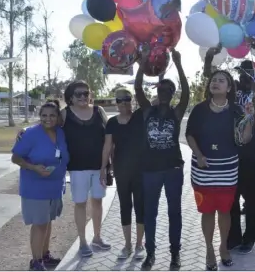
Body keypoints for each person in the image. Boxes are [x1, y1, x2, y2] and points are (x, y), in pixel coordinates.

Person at [203, 38, 255, 254]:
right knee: (231, 195)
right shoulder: (232, 89)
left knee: (254, 197)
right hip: (231, 149)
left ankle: (250, 237)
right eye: (242, 71)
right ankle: (234, 237)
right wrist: (211, 55)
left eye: (249, 71)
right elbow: (210, 75)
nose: (245, 74)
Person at [186, 70, 255, 271]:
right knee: (207, 211)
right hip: (203, 168)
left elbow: (245, 139)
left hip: (227, 168)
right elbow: (190, 135)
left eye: (221, 80)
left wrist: (250, 118)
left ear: (229, 87)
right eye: (213, 80)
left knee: (225, 210)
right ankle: (209, 249)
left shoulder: (237, 110)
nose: (216, 83)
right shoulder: (199, 109)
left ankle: (223, 247)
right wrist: (198, 154)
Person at [134, 49, 190, 271]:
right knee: (150, 213)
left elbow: (187, 91)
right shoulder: (148, 111)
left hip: (173, 169)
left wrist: (178, 63)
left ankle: (175, 253)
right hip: (150, 170)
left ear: (173, 93)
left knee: (174, 211)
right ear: (156, 91)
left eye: (169, 90)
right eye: (161, 89)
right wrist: (140, 63)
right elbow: (138, 88)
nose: (164, 92)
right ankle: (150, 253)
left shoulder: (176, 113)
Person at [11, 100, 69, 271]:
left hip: (55, 187)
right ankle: (36, 261)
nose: (48, 119)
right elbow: (15, 157)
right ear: (39, 117)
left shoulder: (61, 132)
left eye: (52, 115)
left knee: (48, 221)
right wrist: (33, 167)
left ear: (58, 117)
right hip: (35, 188)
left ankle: (45, 255)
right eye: (44, 115)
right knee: (40, 224)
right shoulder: (30, 134)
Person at [62, 80, 111, 257]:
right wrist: (25, 130)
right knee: (80, 203)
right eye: (79, 94)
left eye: (86, 93)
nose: (83, 97)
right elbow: (46, 125)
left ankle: (97, 237)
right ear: (71, 97)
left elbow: (109, 136)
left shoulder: (99, 111)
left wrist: (106, 165)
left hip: (99, 167)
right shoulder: (65, 114)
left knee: (97, 201)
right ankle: (82, 241)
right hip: (77, 168)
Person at [100, 88, 146, 260]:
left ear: (132, 100)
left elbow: (153, 102)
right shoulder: (112, 122)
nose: (123, 102)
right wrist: (103, 169)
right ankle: (127, 245)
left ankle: (139, 244)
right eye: (119, 100)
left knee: (140, 206)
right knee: (125, 206)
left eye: (127, 99)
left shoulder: (141, 117)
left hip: (141, 171)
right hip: (121, 171)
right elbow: (107, 147)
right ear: (115, 102)